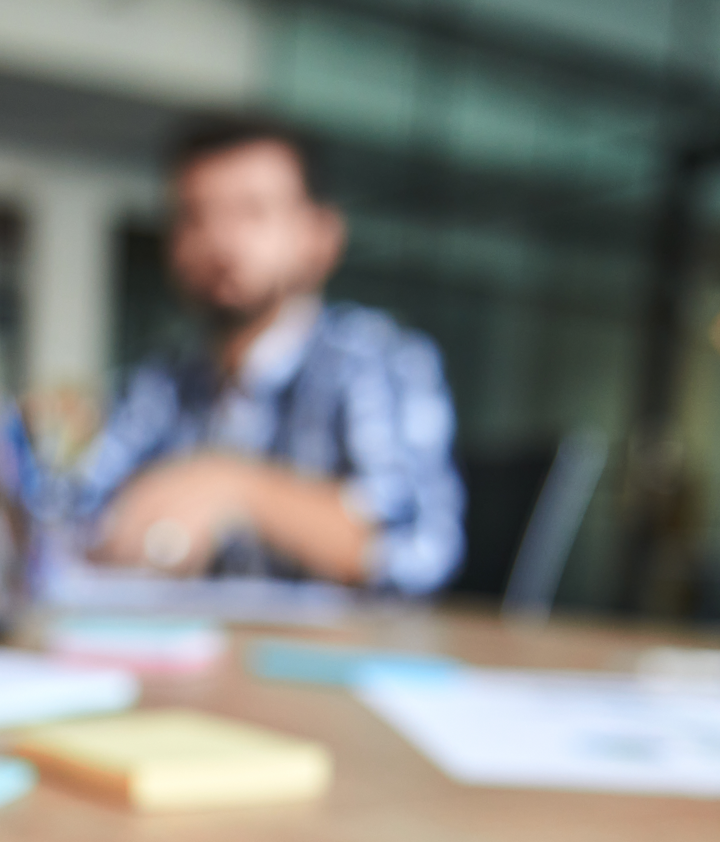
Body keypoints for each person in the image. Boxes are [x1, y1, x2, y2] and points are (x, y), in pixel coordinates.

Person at [68, 117, 465, 592]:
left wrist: (233, 485)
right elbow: (75, 522)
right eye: (195, 215)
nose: (220, 241)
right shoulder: (162, 381)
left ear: (322, 237)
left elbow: (420, 549)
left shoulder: (377, 359)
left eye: (253, 212)